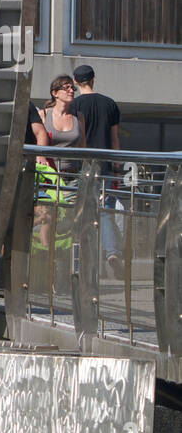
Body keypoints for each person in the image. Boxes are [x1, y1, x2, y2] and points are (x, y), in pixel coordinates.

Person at [69, 63, 124, 278]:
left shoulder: (74, 105)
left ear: (75, 82)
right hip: (106, 166)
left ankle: (87, 263)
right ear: (93, 79)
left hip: (82, 167)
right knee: (106, 211)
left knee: (82, 213)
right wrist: (117, 167)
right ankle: (111, 253)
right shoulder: (110, 104)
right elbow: (114, 138)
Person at [40, 74, 85, 174]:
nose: (72, 91)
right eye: (66, 88)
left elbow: (82, 146)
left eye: (73, 88)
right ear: (55, 93)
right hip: (48, 174)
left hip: (73, 175)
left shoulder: (78, 116)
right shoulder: (43, 115)